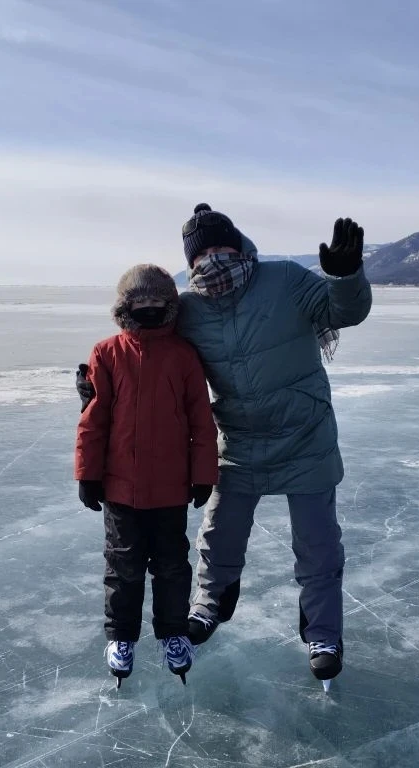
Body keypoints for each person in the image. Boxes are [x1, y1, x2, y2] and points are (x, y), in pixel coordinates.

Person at [78, 206, 371, 683]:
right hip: (240, 439)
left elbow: (345, 311)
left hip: (306, 437)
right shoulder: (190, 309)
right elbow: (145, 342)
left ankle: (324, 634)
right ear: (191, 264)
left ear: (240, 246)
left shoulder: (285, 280)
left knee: (317, 545)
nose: (213, 261)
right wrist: (95, 378)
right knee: (219, 533)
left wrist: (344, 276)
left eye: (222, 249)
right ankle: (208, 606)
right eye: (203, 254)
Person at [75, 264, 218, 687]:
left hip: (171, 489)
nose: (150, 308)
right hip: (120, 488)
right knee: (123, 567)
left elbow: (201, 421)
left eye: (158, 301)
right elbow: (93, 418)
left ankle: (173, 633)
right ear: (125, 307)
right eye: (140, 302)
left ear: (170, 306)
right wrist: (88, 473)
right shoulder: (107, 353)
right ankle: (122, 637)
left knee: (172, 567)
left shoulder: (183, 355)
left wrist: (203, 475)